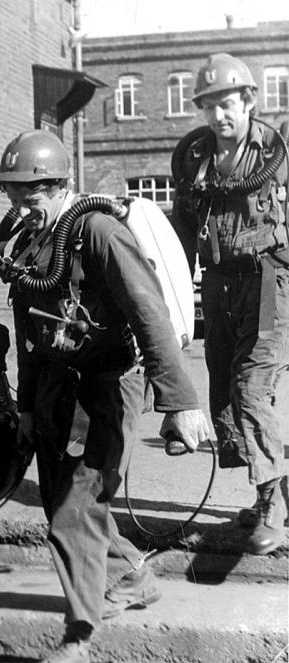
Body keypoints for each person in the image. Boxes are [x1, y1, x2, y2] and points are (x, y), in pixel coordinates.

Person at [0, 131, 214, 663]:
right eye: (14, 195)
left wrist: (179, 401)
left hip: (107, 387)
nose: (23, 206)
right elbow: (28, 333)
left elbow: (149, 311)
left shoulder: (98, 231)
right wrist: (25, 406)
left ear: (62, 185)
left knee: (75, 510)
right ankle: (134, 576)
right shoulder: (27, 242)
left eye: (34, 195)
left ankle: (79, 638)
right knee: (62, 505)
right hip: (53, 388)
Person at [171, 52, 289, 556]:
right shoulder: (194, 157)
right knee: (224, 387)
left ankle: (271, 507)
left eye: (229, 104)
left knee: (252, 387)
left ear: (249, 102)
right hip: (216, 285)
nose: (220, 116)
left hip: (267, 278)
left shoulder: (274, 154)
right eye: (210, 106)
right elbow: (178, 228)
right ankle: (278, 489)